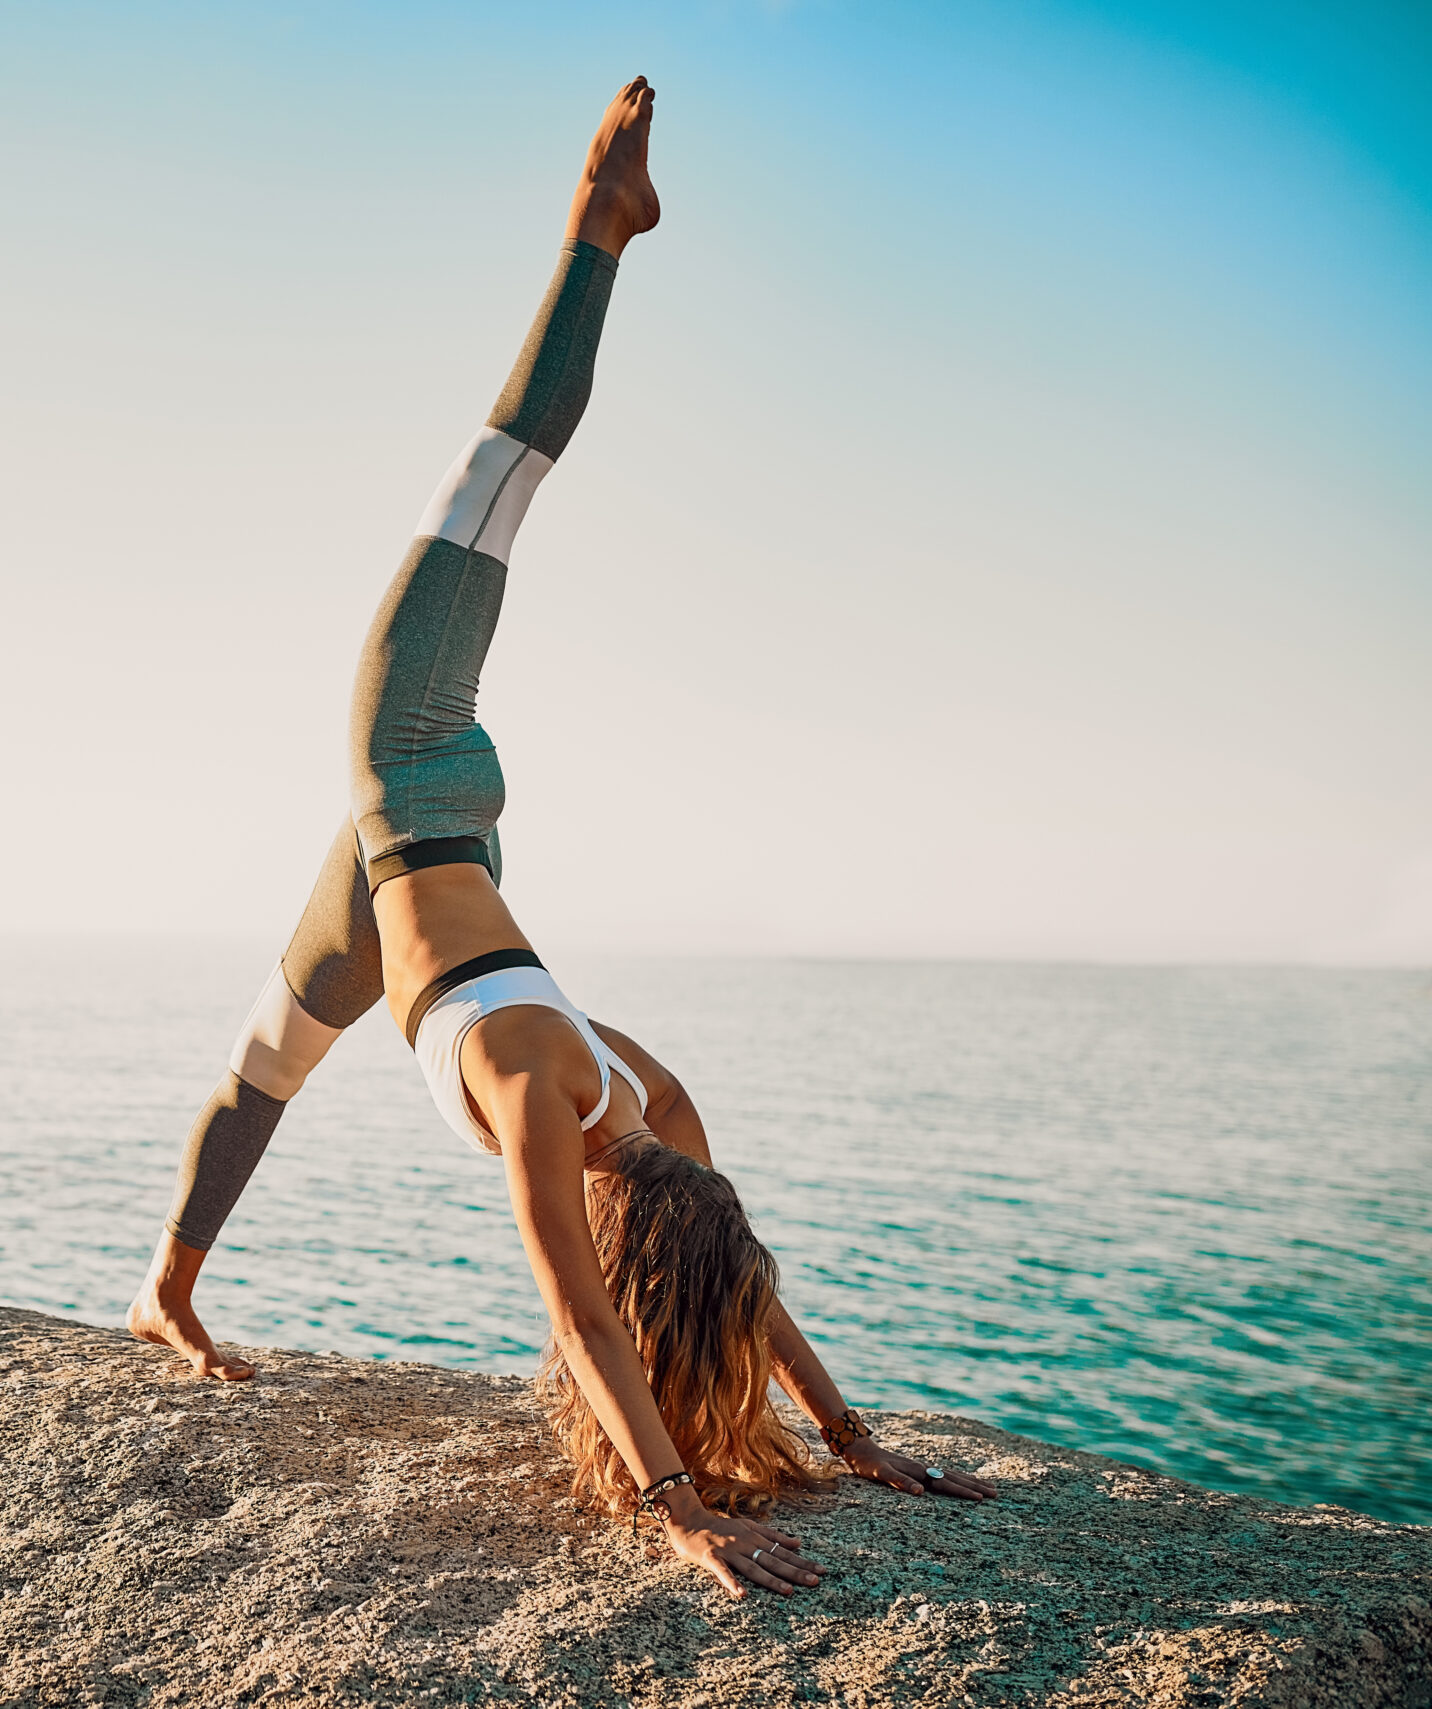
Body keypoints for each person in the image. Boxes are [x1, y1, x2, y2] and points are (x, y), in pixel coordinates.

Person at [127, 77, 997, 1599]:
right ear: (640, 1191)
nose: (661, 1174)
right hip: (418, 778)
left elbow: (714, 1293)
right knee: (495, 480)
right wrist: (675, 1504)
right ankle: (602, 231)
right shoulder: (603, 1092)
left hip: (386, 890)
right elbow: (601, 1310)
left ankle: (164, 1293)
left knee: (256, 1078)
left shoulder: (606, 1101)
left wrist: (844, 1429)